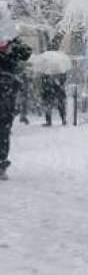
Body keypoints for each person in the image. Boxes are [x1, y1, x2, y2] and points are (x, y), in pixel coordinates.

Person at [1, 37, 32, 180]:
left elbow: (25, 53)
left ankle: (1, 163)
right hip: (7, 94)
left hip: (6, 95)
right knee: (3, 131)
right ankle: (1, 163)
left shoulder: (11, 43)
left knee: (3, 131)